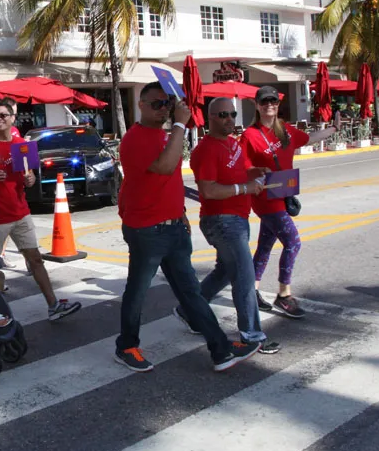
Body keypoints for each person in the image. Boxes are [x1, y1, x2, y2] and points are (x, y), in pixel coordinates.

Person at [115, 83, 260, 372]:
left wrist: (179, 211)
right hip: (146, 230)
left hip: (172, 228)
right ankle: (126, 346)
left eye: (166, 104)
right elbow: (166, 167)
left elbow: (168, 182)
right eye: (156, 104)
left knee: (191, 292)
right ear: (141, 105)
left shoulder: (162, 135)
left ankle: (220, 350)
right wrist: (180, 123)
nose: (163, 109)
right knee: (137, 291)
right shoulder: (135, 139)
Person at [0, 100, 81, 321]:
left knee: (35, 259)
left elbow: (30, 176)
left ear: (12, 119)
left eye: (3, 115)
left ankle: (53, 306)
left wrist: (31, 179)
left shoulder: (21, 145)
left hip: (21, 213)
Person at [188, 97, 278, 354]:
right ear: (210, 118)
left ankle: (189, 310)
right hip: (221, 220)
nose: (229, 119)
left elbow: (241, 171)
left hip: (237, 218)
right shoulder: (206, 150)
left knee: (226, 271)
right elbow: (208, 190)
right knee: (244, 277)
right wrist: (244, 188)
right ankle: (252, 335)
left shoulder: (232, 143)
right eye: (223, 115)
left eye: (233, 114)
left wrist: (255, 172)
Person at [241, 87, 339, 319]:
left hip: (283, 194)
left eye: (273, 101)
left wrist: (334, 128)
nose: (269, 105)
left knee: (265, 245)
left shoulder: (284, 130)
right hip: (265, 198)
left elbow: (310, 138)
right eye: (264, 101)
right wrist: (257, 170)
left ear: (278, 104)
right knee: (293, 242)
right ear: (257, 105)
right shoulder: (249, 136)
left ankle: (251, 290)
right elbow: (242, 167)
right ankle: (284, 295)